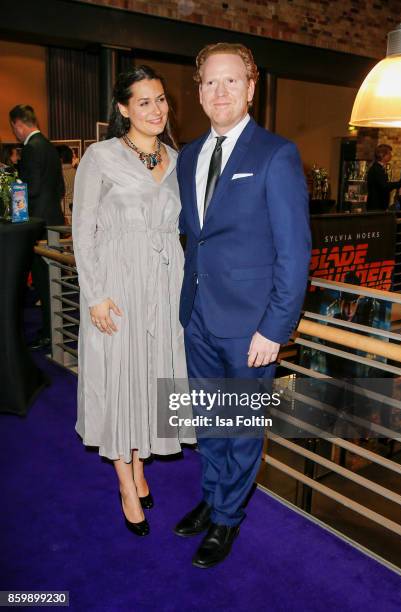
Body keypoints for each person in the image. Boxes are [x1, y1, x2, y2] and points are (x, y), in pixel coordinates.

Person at [174, 43, 311, 568]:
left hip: (252, 327)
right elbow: (196, 238)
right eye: (210, 82)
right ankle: (212, 498)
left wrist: (275, 328)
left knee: (241, 427)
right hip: (200, 317)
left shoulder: (276, 153)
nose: (220, 91)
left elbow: (294, 251)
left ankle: (229, 517)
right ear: (200, 91)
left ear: (251, 88)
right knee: (209, 421)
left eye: (232, 81)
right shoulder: (188, 155)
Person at [72, 66, 195, 537]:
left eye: (161, 99)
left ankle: (140, 465)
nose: (156, 109)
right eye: (144, 102)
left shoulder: (176, 158)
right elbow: (83, 231)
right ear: (123, 108)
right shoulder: (100, 158)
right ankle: (126, 483)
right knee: (121, 378)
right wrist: (95, 294)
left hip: (165, 287)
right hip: (118, 285)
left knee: (150, 375)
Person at [9, 104, 65, 349]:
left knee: (44, 282)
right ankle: (54, 330)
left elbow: (30, 189)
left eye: (14, 129)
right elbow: (60, 188)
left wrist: (14, 188)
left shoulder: (31, 149)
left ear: (18, 124)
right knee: (53, 280)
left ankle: (49, 335)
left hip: (38, 225)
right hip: (53, 221)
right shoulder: (50, 146)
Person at [366, 144, 401, 211]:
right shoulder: (377, 169)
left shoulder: (379, 168)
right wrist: (400, 183)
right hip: (376, 207)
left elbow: (384, 186)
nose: (391, 155)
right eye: (389, 153)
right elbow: (385, 186)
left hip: (379, 206)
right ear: (382, 155)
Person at [56, 144, 76, 224]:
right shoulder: (78, 172)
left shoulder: (57, 174)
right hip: (77, 212)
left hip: (62, 214)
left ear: (60, 159)